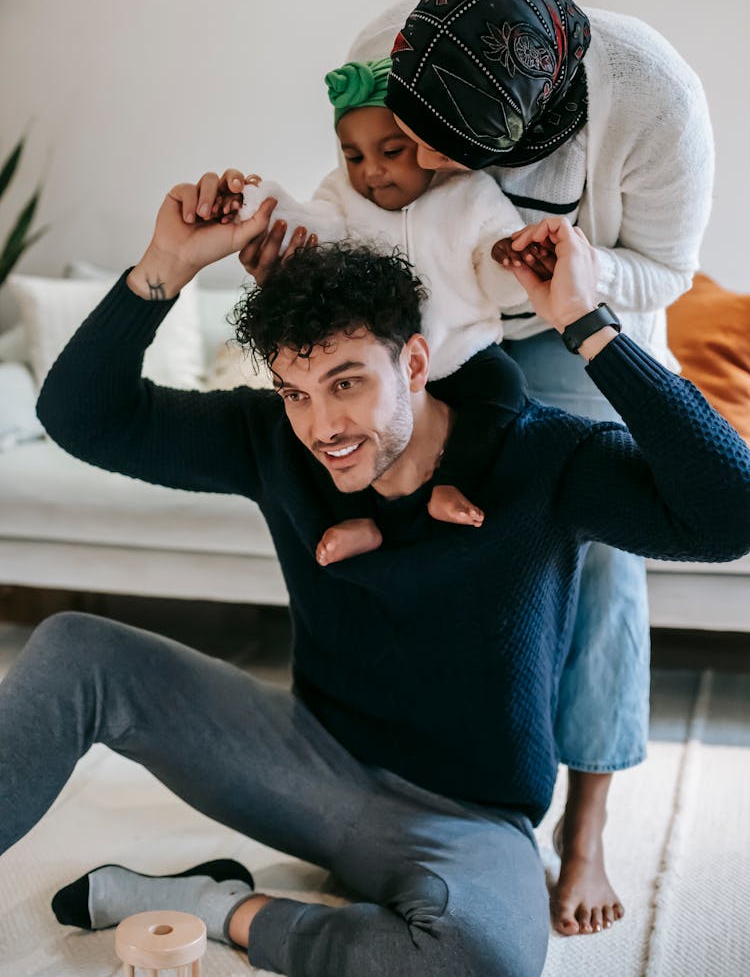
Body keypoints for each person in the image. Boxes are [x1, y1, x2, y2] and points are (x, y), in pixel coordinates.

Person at [2, 174, 748, 977]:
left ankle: (218, 907)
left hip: (471, 818)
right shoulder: (275, 440)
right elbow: (80, 418)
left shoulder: (546, 459)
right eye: (295, 392)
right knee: (76, 649)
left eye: (347, 382)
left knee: (484, 956)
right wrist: (163, 266)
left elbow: (729, 512)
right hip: (307, 763)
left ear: (416, 361)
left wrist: (585, 324)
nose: (323, 427)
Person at [334, 0, 715, 934]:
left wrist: (571, 275)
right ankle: (430, 794)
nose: (411, 157)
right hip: (443, 323)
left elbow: (666, 270)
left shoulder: (658, 102)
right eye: (409, 134)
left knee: (601, 560)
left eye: (437, 151)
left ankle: (583, 831)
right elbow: (366, 192)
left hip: (583, 315)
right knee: (434, 534)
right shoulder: (396, 43)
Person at [235, 53, 549, 565]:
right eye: (353, 157)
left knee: (503, 390)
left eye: (391, 151)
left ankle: (451, 486)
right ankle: (357, 518)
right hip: (379, 367)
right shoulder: (340, 196)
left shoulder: (468, 195)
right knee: (327, 429)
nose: (372, 171)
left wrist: (506, 258)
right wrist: (262, 203)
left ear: (428, 147)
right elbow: (308, 227)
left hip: (461, 354)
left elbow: (500, 275)